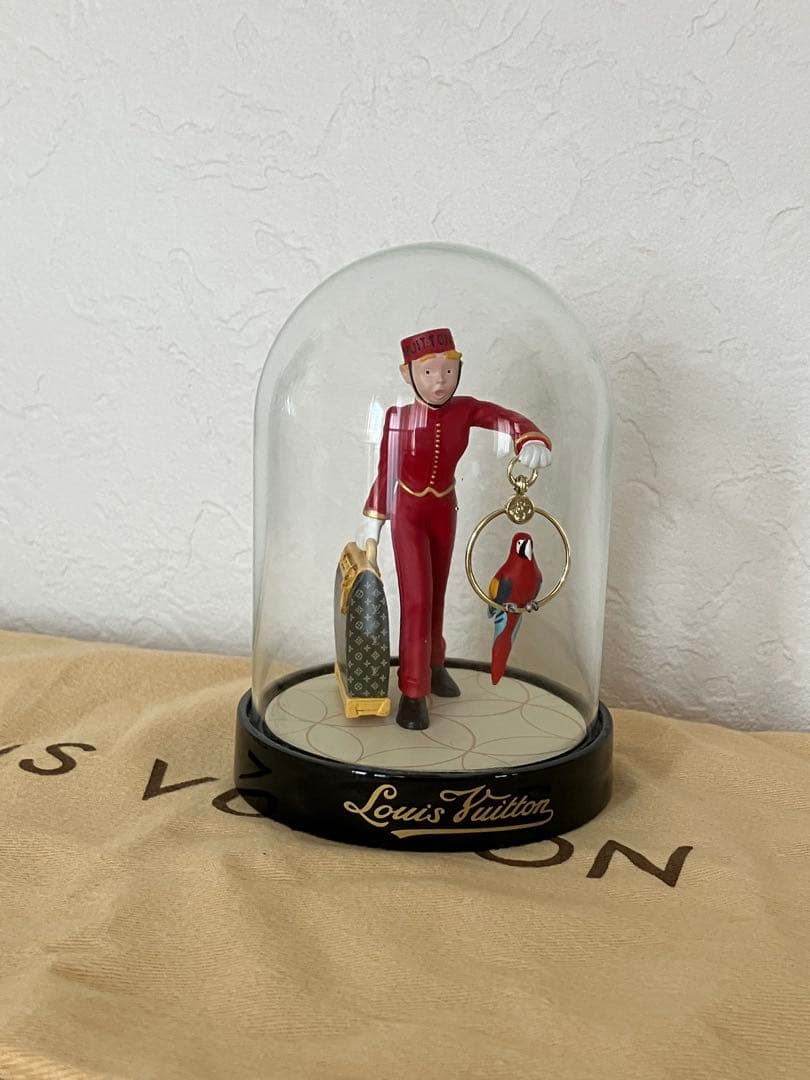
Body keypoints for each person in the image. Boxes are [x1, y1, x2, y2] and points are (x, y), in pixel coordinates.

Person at [357, 328, 552, 730]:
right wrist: (373, 522)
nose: (440, 382)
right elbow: (386, 471)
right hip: (408, 512)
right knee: (417, 598)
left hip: (444, 508)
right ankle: (413, 690)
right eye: (428, 372)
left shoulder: (465, 410)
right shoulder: (397, 418)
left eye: (448, 370)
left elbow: (504, 418)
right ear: (408, 374)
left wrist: (529, 438)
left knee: (438, 594)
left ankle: (434, 664)